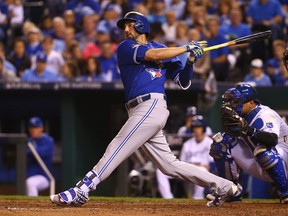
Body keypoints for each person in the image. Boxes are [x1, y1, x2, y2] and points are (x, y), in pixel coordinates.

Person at [50, 11, 238, 208]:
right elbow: (152, 55)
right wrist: (184, 48)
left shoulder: (162, 49)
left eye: (129, 25)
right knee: (169, 166)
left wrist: (190, 61)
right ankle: (225, 186)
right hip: (138, 109)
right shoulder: (126, 47)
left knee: (117, 146)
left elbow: (182, 81)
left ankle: (83, 188)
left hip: (151, 105)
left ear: (140, 25)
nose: (125, 29)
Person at [209, 83, 288, 203]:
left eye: (237, 101)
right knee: (221, 144)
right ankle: (232, 192)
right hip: (261, 160)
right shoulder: (240, 116)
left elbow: (271, 139)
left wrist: (248, 130)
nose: (233, 105)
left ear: (251, 103)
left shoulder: (265, 114)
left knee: (263, 150)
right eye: (232, 101)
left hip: (283, 158)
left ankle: (285, 192)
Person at [156, 115, 214, 199]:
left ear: (204, 128)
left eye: (199, 127)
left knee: (202, 170)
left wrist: (202, 167)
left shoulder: (210, 143)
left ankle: (198, 198)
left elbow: (211, 165)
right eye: (194, 127)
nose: (196, 130)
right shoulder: (188, 144)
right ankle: (168, 198)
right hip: (187, 169)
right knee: (160, 171)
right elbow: (182, 162)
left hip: (201, 171)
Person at [26, 116, 54, 196]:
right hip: (29, 175)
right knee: (28, 183)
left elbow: (42, 153)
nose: (33, 130)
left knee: (30, 183)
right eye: (31, 127)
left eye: (35, 127)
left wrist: (31, 148)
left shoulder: (48, 140)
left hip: (44, 176)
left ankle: (33, 206)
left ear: (41, 128)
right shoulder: (29, 140)